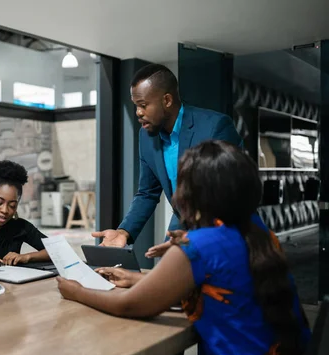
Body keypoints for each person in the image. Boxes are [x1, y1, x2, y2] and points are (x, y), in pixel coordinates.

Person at [57, 141, 310, 355]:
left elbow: (130, 306)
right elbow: (226, 292)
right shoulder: (260, 234)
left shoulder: (201, 245)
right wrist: (137, 278)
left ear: (192, 195)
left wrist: (77, 291)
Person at [92, 64, 242, 256]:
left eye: (143, 105)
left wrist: (193, 239)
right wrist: (124, 231)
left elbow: (235, 189)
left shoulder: (215, 126)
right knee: (162, 279)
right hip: (182, 222)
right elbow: (147, 193)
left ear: (167, 100)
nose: (138, 112)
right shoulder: (146, 136)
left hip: (220, 228)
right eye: (136, 105)